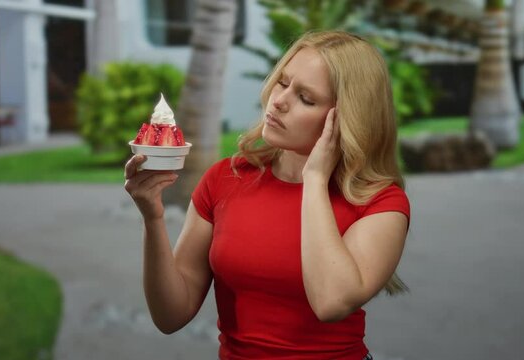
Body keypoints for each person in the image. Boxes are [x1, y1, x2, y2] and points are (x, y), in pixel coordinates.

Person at [124, 30, 410, 360]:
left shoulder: (381, 203)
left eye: (306, 98)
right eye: (282, 82)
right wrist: (153, 217)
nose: (279, 101)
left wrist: (314, 179)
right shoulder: (225, 178)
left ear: (347, 118)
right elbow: (170, 315)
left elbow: (331, 302)